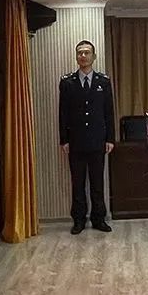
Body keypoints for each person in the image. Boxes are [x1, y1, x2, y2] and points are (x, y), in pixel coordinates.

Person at [58, 40, 115, 234]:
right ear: (76, 57)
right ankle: (79, 220)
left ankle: (99, 219)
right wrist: (64, 139)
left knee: (97, 183)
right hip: (76, 142)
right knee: (78, 183)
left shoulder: (103, 82)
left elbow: (109, 112)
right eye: (80, 53)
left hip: (98, 141)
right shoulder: (67, 82)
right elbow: (63, 113)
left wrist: (110, 138)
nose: (83, 56)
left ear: (94, 56)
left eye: (87, 52)